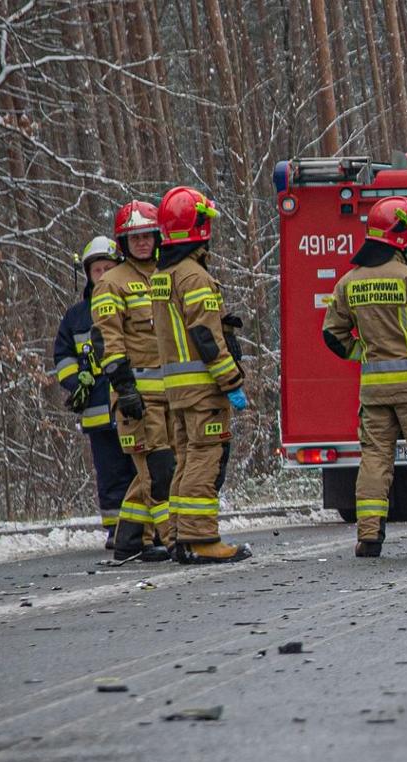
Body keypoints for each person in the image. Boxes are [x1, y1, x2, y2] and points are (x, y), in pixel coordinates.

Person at [321, 196, 407, 557]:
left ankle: (368, 537)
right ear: (398, 237)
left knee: (374, 459)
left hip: (373, 392)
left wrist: (363, 353)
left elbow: (331, 336)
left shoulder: (348, 282)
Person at [151, 186, 250, 563]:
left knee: (187, 459)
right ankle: (201, 538)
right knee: (206, 458)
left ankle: (178, 535)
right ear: (198, 227)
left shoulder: (164, 275)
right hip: (203, 390)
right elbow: (207, 337)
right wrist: (232, 382)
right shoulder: (194, 277)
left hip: (176, 389)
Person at [91, 201, 175, 561]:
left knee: (153, 472)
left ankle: (129, 541)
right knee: (159, 471)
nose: (142, 243)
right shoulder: (111, 284)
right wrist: (124, 387)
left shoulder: (167, 274)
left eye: (146, 235)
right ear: (123, 243)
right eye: (134, 237)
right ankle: (176, 539)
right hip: (137, 395)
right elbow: (110, 341)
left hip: (173, 393)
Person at [56, 237, 143, 559]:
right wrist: (74, 380)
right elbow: (62, 356)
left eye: (109, 268)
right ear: (88, 274)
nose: (103, 274)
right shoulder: (76, 317)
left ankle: (140, 529)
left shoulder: (130, 304)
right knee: (110, 475)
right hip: (96, 412)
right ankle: (116, 530)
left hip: (130, 406)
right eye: (97, 270)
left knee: (138, 470)